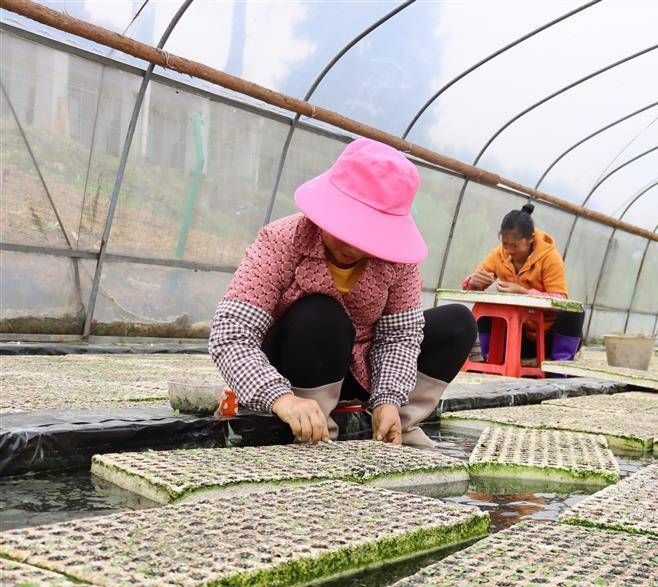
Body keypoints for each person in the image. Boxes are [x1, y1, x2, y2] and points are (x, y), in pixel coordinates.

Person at [209, 139, 476, 447]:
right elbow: (231, 333)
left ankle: (394, 425)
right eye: (346, 227)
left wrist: (388, 398)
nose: (353, 244)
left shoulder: (396, 259)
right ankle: (309, 429)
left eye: (368, 232)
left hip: (359, 370)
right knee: (321, 314)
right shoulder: (282, 241)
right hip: (293, 369)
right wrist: (281, 398)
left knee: (458, 322)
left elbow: (399, 336)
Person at [463, 203, 584, 362]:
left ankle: (558, 367)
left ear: (531, 239)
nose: (509, 250)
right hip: (515, 337)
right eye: (505, 243)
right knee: (486, 308)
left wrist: (525, 292)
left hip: (548, 337)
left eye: (515, 245)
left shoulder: (550, 258)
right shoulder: (499, 254)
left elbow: (560, 299)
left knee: (574, 312)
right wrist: (474, 283)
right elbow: (471, 285)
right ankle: (491, 359)